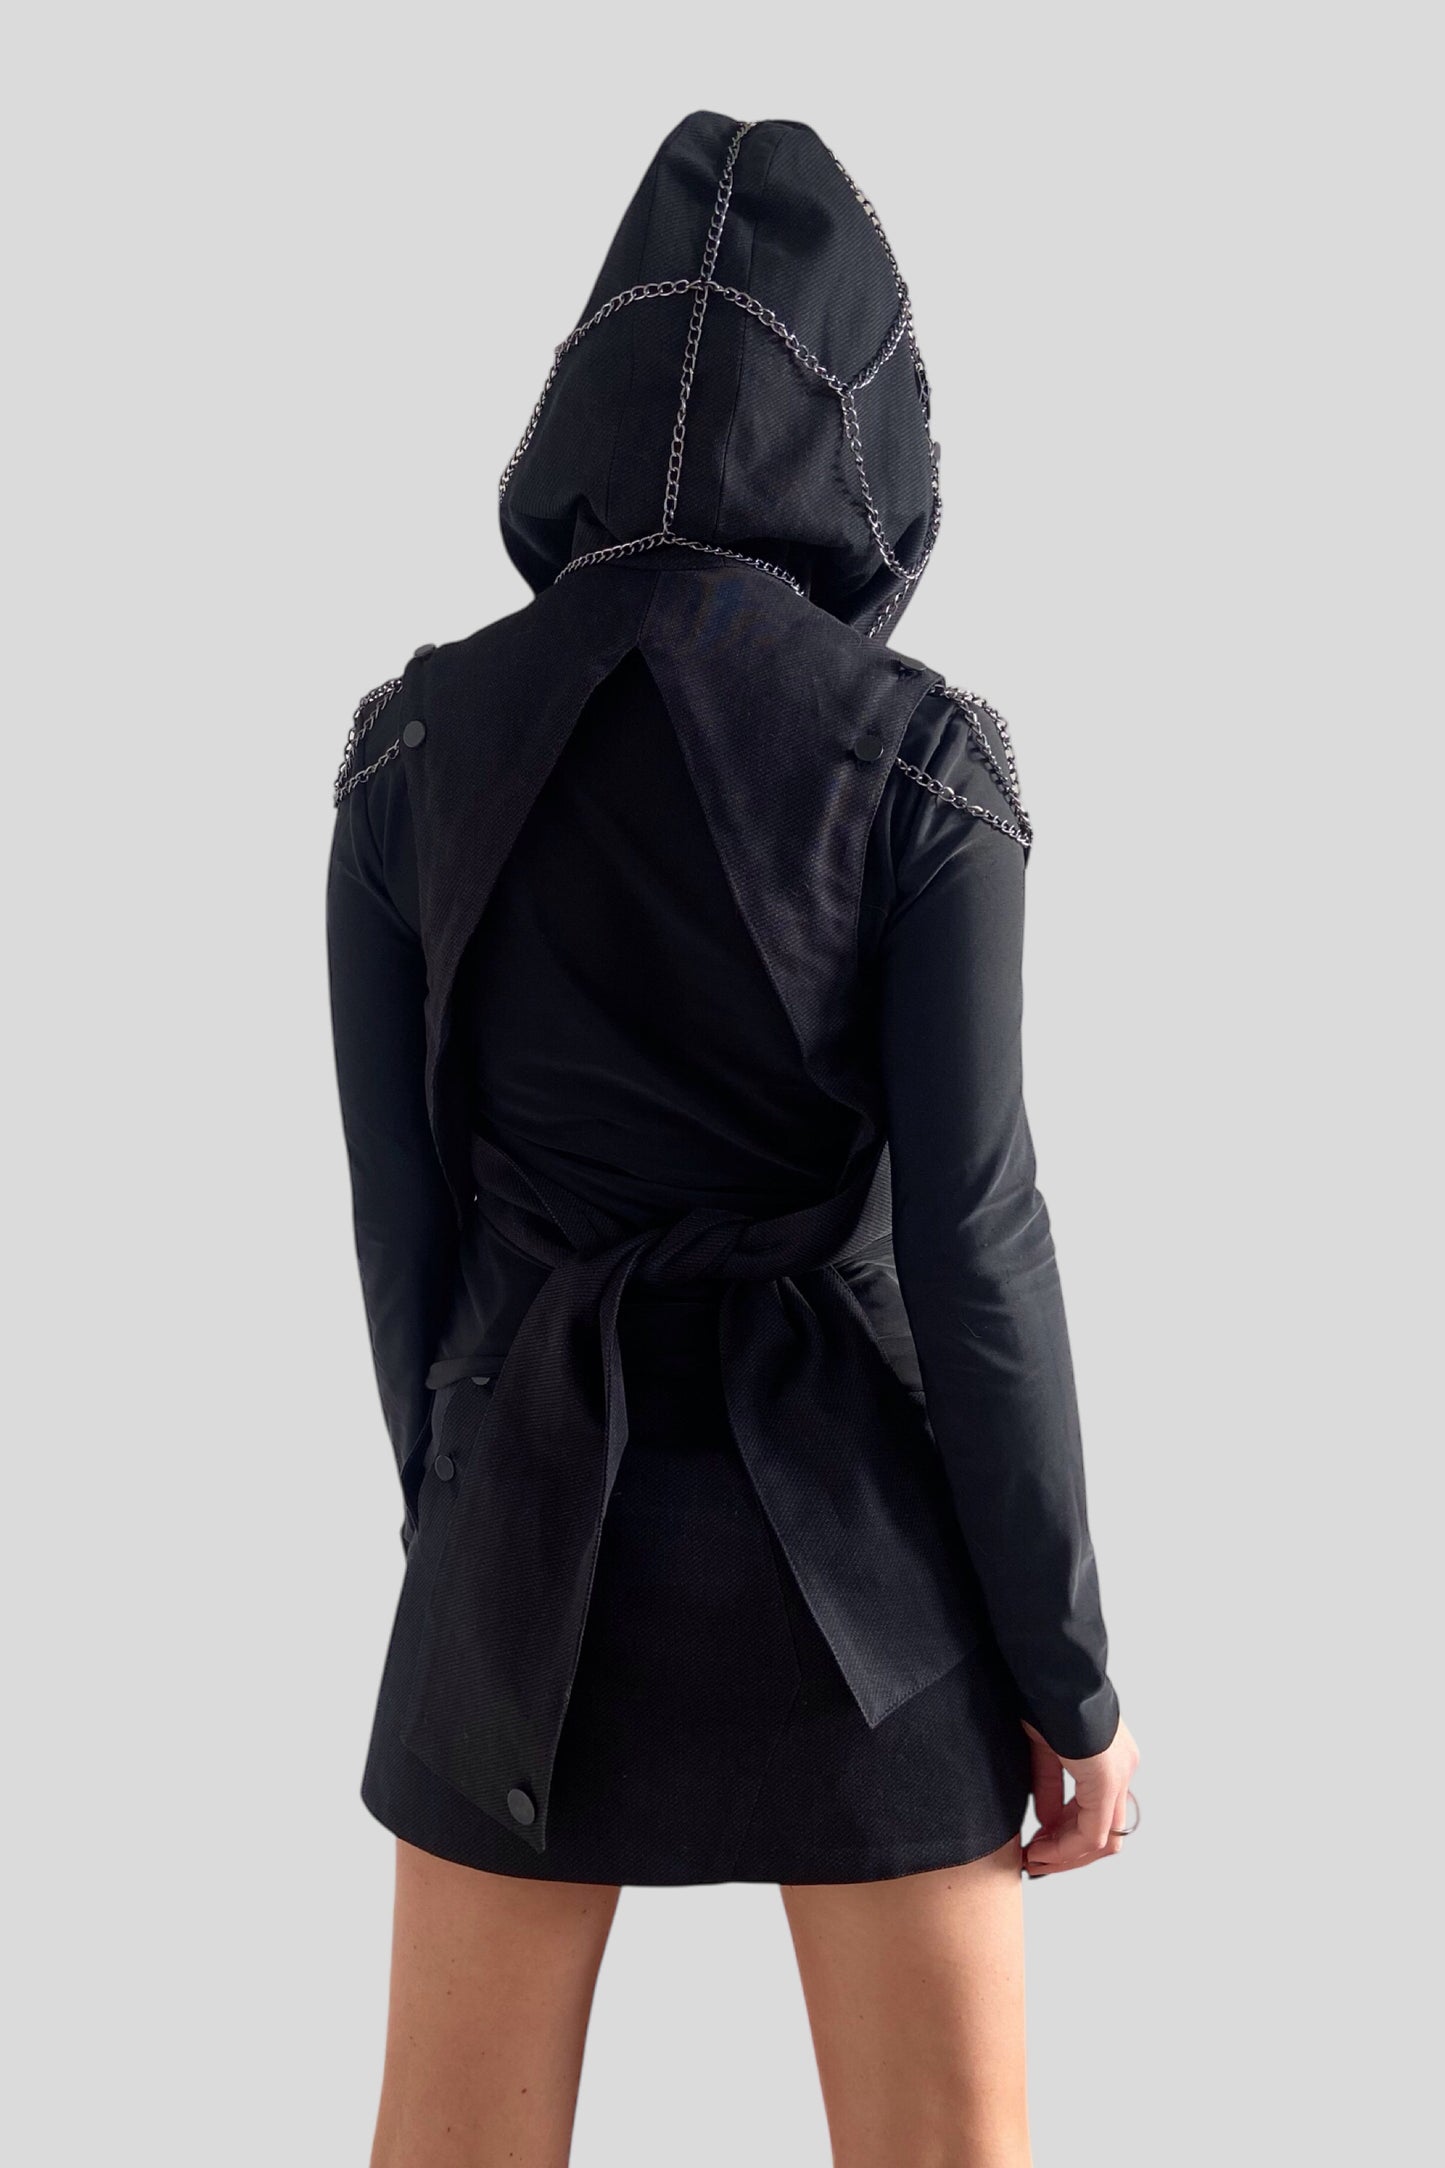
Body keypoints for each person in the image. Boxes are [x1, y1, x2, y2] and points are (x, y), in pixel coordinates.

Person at [327, 109, 1139, 2168]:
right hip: (865, 1574)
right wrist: (1069, 1675)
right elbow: (974, 1239)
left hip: (526, 1537)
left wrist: (464, 1544)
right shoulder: (925, 756)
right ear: (863, 420)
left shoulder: (407, 746)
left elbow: (401, 1233)